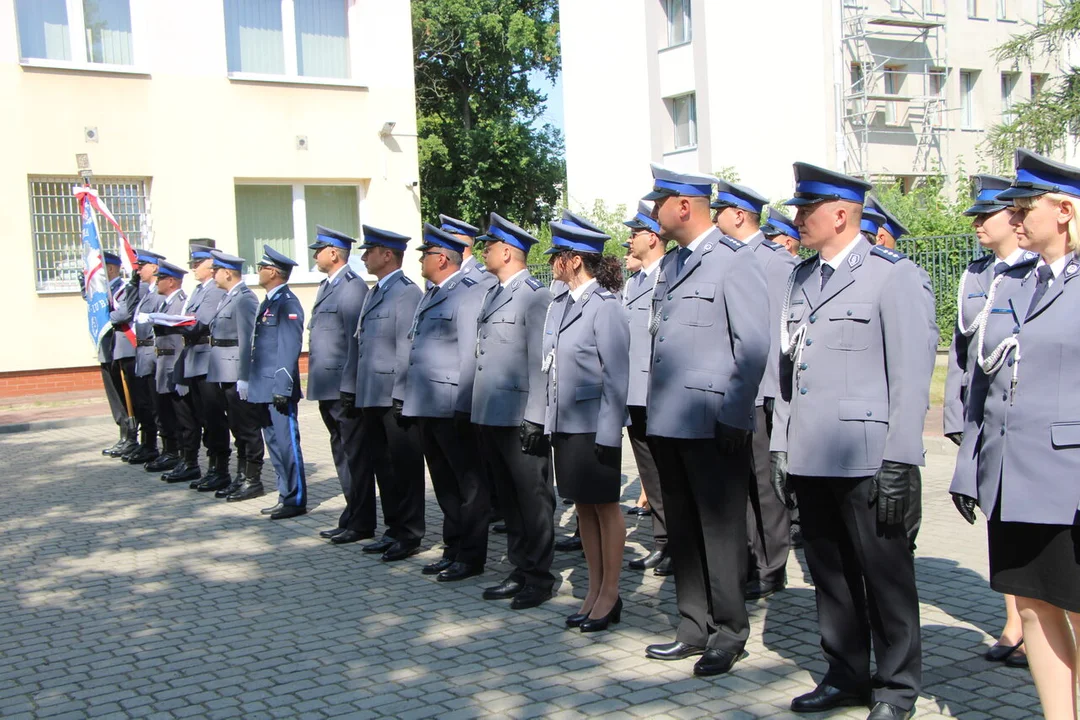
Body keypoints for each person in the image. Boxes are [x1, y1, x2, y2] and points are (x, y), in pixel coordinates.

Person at [771, 162, 926, 720]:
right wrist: (781, 443)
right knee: (830, 574)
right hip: (814, 453)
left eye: (805, 210)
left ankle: (896, 686)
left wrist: (901, 459)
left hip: (868, 456)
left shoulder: (891, 274)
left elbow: (910, 379)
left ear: (840, 214)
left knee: (885, 578)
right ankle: (845, 674)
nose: (796, 220)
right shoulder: (800, 277)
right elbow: (789, 369)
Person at [950, 149, 1080, 720]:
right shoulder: (1010, 284)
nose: (1016, 218)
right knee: (1032, 607)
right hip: (1013, 478)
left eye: (1026, 207)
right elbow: (986, 384)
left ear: (1066, 210)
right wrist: (969, 467)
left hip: (1070, 481)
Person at [642, 164, 769, 677]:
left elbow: (754, 346)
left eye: (659, 203)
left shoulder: (733, 262)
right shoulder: (672, 266)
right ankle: (692, 625)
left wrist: (736, 416)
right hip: (669, 421)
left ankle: (729, 631)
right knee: (684, 531)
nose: (653, 214)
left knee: (719, 531)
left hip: (713, 421)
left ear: (685, 206)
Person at [944, 175, 1036, 668]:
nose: (979, 224)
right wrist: (958, 421)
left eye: (987, 215)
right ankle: (1013, 621)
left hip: (1028, 422)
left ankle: (1038, 624)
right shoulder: (976, 276)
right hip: (988, 420)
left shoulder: (1037, 271)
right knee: (998, 520)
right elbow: (964, 358)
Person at [542, 220, 630, 630]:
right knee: (584, 510)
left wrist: (610, 434)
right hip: (567, 424)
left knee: (605, 508)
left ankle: (610, 594)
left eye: (557, 257)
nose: (552, 265)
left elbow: (616, 375)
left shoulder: (606, 306)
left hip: (596, 425)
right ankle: (594, 590)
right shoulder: (561, 304)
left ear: (575, 260)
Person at [712, 179, 798, 601]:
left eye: (721, 212)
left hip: (763, 391)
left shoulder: (775, 262)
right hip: (733, 392)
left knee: (765, 486)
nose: (715, 219)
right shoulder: (727, 258)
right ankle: (749, 558)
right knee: (739, 483)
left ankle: (773, 564)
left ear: (740, 215)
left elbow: (780, 333)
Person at [470, 213, 557, 607]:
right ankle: (519, 567)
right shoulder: (494, 292)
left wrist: (537, 415)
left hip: (521, 415)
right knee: (508, 499)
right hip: (492, 412)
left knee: (533, 498)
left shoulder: (534, 295)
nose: (483, 252)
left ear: (507, 251)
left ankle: (539, 576)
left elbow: (542, 363)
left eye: (488, 247)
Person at [400, 224, 488, 576]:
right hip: (427, 403)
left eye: (426, 254)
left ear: (441, 259)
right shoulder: (432, 293)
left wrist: (465, 405)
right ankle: (453, 546)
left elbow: (469, 354)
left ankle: (471, 555)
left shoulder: (466, 294)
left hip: (452, 405)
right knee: (444, 484)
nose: (421, 260)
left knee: (468, 485)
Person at [340, 226, 426, 558]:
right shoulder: (376, 291)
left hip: (393, 395)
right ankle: (393, 528)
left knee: (404, 467)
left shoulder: (406, 293)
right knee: (383, 466)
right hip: (371, 394)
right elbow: (359, 344)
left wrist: (403, 394)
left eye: (369, 250)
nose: (363, 257)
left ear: (387, 254)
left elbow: (407, 348)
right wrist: (350, 387)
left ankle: (410, 533)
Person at [862, 197, 938, 552]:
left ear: (882, 238)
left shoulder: (906, 275)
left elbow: (918, 345)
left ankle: (905, 541)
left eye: (870, 234)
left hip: (896, 403)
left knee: (901, 476)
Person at [305, 226, 368, 540]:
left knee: (355, 455)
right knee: (341, 452)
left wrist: (350, 384)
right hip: (326, 386)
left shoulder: (351, 288)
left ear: (334, 253)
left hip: (343, 389)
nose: (314, 255)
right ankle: (351, 513)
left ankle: (361, 520)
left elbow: (356, 342)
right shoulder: (327, 285)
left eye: (319, 250)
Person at [621, 200, 671, 577]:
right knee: (650, 473)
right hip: (633, 392)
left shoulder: (668, 275)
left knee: (667, 474)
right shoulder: (635, 281)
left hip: (657, 392)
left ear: (652, 238)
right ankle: (663, 541)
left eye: (634, 233)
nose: (629, 239)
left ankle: (675, 543)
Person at [202, 250, 266, 502]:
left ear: (227, 272)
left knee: (247, 428)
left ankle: (253, 479)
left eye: (216, 270)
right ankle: (240, 477)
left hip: (236, 372)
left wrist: (245, 376)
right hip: (223, 371)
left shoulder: (244, 299)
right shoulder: (228, 297)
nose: (213, 274)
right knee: (236, 428)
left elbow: (248, 340)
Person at [249, 246, 307, 520]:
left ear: (272, 271)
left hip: (278, 388)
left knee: (287, 444)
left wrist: (282, 387)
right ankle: (284, 494)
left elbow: (289, 347)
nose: (258, 271)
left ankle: (295, 498)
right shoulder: (268, 301)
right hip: (264, 386)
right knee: (274, 444)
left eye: (261, 266)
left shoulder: (287, 303)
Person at [176, 241, 231, 490]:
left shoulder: (214, 291)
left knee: (213, 417)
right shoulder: (199, 291)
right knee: (202, 415)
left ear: (211, 266)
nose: (194, 269)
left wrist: (172, 324)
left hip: (207, 359)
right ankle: (211, 467)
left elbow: (200, 322)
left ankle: (220, 469)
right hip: (194, 358)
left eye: (198, 264)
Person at [146, 261, 189, 476]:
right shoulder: (164, 303)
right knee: (164, 412)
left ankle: (182, 456)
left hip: (174, 362)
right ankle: (170, 451)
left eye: (161, 278)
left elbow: (182, 337)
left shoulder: (181, 302)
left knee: (178, 414)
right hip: (162, 362)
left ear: (171, 281)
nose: (157, 282)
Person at [124, 249, 166, 465]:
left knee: (156, 406)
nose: (138, 270)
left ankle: (163, 448)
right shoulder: (145, 292)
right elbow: (129, 312)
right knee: (143, 404)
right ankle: (148, 444)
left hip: (152, 353)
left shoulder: (158, 295)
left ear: (155, 268)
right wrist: (131, 285)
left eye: (142, 267)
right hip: (141, 353)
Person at [98, 252, 133, 457]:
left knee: (125, 394)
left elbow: (122, 314)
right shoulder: (101, 292)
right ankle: (123, 434)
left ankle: (131, 436)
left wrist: (104, 316)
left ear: (111, 269)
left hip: (120, 348)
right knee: (114, 396)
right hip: (106, 349)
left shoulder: (123, 289)